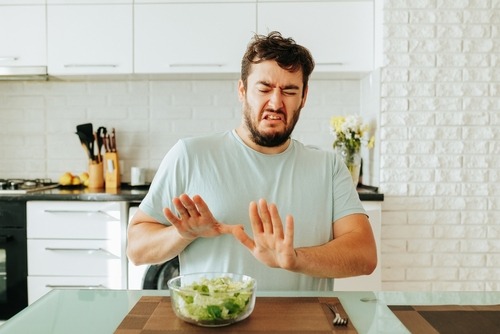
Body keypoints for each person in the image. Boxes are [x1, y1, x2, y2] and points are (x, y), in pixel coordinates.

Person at [127, 31, 377, 291]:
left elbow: (365, 255)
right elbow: (136, 249)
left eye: (289, 91)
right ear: (242, 90)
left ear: (303, 98)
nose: (276, 102)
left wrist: (295, 259)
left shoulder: (328, 167)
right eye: (264, 88)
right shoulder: (190, 155)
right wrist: (182, 234)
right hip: (214, 325)